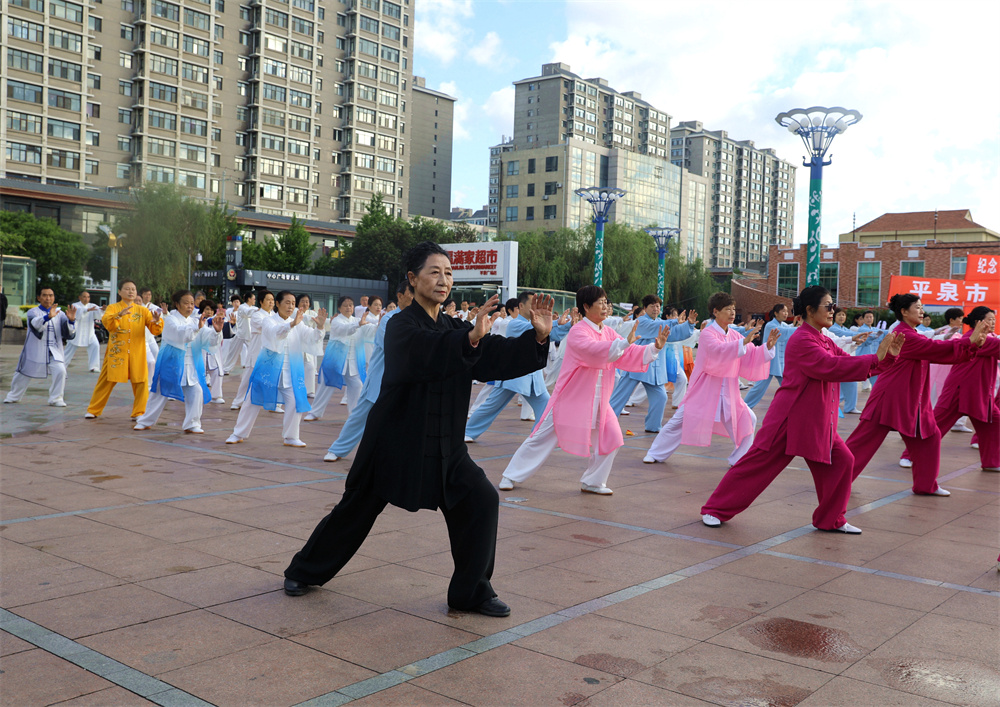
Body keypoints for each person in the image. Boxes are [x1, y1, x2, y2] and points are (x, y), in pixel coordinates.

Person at [284, 242, 552, 618]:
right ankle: (303, 570)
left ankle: (470, 592)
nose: (443, 280)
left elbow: (490, 356)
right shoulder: (400, 326)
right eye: (434, 272)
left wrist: (536, 340)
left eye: (448, 273)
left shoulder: (455, 327)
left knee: (481, 501)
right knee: (354, 512)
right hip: (395, 442)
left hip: (447, 446)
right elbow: (427, 351)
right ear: (412, 279)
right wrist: (469, 338)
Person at [700, 286, 903, 534]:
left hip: (816, 420)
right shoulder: (802, 339)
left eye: (833, 306)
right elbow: (829, 366)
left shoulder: (824, 338)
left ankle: (831, 519)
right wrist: (877, 360)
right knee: (757, 464)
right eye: (827, 306)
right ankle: (715, 509)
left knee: (842, 461)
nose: (833, 311)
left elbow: (846, 363)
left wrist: (886, 359)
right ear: (809, 310)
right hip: (790, 418)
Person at [497, 286, 667, 495]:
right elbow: (595, 352)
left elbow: (627, 352)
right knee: (542, 437)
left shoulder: (607, 331)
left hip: (600, 400)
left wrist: (654, 348)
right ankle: (511, 475)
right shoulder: (579, 331)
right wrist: (623, 344)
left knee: (612, 438)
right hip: (572, 399)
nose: (605, 307)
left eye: (606, 302)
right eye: (600, 303)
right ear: (586, 307)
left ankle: (593, 481)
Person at [846, 294, 988, 497]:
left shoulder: (911, 332)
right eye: (918, 307)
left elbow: (935, 346)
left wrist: (972, 344)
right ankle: (836, 478)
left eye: (922, 308)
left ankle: (925, 485)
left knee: (929, 437)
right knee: (862, 443)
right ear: (904, 311)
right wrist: (969, 343)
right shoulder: (904, 334)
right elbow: (935, 349)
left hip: (910, 399)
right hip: (890, 398)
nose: (922, 311)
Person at [644, 293, 778, 468]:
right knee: (679, 421)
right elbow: (717, 351)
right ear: (715, 311)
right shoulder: (708, 333)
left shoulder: (735, 336)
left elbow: (750, 353)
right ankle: (655, 453)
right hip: (705, 390)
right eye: (727, 309)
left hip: (728, 391)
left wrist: (767, 347)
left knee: (749, 419)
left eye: (733, 309)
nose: (732, 313)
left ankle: (739, 458)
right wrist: (743, 343)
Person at [324, 281, 413, 461]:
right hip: (381, 376)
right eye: (412, 293)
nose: (415, 297)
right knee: (361, 414)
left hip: (407, 379)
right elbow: (390, 345)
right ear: (400, 296)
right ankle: (338, 449)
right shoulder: (389, 318)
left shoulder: (421, 318)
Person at [226, 291, 327, 447]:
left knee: (295, 401)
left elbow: (311, 338)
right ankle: (238, 433)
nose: (291, 306)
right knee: (252, 400)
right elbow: (275, 333)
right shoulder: (269, 321)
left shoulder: (298, 323)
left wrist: (320, 328)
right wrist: (291, 325)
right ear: (278, 304)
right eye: (287, 302)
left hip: (290, 370)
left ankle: (291, 437)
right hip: (268, 368)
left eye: (293, 303)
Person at [910, 307, 998, 472]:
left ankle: (991, 462)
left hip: (979, 394)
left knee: (994, 422)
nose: (993, 323)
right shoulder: (976, 338)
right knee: (935, 425)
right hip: (959, 391)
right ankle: (909, 455)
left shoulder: (988, 337)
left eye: (994, 319)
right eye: (990, 319)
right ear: (978, 322)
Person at [465, 292, 552, 441]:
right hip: (513, 375)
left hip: (533, 377)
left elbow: (544, 332)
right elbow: (537, 331)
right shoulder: (514, 323)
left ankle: (537, 437)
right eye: (532, 304)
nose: (535, 307)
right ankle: (467, 432)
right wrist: (556, 325)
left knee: (547, 407)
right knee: (491, 406)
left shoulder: (533, 323)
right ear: (521, 306)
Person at [134, 290, 224, 434]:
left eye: (192, 303)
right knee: (159, 393)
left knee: (196, 391)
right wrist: (197, 328)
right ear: (177, 304)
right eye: (186, 303)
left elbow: (207, 339)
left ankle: (192, 423)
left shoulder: (196, 320)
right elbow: (179, 335)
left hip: (190, 366)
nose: (189, 306)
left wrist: (216, 332)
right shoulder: (170, 320)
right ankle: (145, 421)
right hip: (172, 363)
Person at [608, 297, 697, 431]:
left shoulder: (662, 323)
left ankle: (653, 426)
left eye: (657, 306)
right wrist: (674, 321)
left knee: (661, 397)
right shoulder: (641, 321)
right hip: (636, 365)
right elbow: (656, 328)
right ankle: (606, 422)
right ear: (645, 308)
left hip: (653, 369)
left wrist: (688, 325)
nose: (656, 309)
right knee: (619, 398)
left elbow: (675, 333)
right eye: (652, 306)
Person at [85, 280, 164, 419]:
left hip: (137, 352)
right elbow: (108, 324)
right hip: (117, 352)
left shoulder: (142, 310)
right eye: (127, 289)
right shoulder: (113, 308)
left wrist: (157, 321)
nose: (131, 291)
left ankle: (139, 412)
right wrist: (119, 315)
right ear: (120, 292)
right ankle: (93, 409)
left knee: (141, 381)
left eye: (133, 289)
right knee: (106, 381)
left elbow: (155, 330)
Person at [4, 287, 76, 406]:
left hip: (54, 350)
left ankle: (56, 399)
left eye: (51, 295)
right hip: (35, 349)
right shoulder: (33, 312)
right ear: (39, 298)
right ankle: (14, 396)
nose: (48, 298)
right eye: (45, 295)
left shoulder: (60, 313)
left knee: (60, 371)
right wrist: (48, 317)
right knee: (23, 373)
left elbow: (68, 332)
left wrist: (71, 321)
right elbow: (36, 325)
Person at [305, 296, 364, 421]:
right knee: (326, 386)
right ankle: (315, 412)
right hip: (336, 360)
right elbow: (344, 330)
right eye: (345, 305)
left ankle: (354, 416)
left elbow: (368, 328)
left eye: (351, 305)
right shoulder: (337, 321)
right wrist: (358, 324)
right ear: (339, 308)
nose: (349, 308)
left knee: (357, 386)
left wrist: (377, 325)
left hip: (351, 363)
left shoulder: (358, 320)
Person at [742, 303, 797, 409]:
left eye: (787, 311)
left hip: (780, 364)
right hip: (768, 362)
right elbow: (785, 333)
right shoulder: (770, 325)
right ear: (776, 313)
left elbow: (790, 332)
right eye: (783, 311)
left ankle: (794, 408)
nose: (786, 314)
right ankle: (744, 408)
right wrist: (805, 327)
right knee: (758, 388)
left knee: (789, 387)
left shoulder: (784, 325)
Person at [232, 290, 272, 410]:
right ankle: (237, 402)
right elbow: (266, 326)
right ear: (261, 301)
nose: (271, 302)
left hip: (269, 353)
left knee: (272, 378)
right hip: (256, 351)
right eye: (268, 300)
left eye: (273, 300)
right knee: (248, 379)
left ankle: (274, 404)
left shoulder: (273, 315)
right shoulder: (257, 314)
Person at [829, 308, 864, 415]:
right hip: (837, 359)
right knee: (839, 386)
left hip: (846, 358)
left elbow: (847, 340)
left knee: (850, 384)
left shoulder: (844, 328)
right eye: (839, 314)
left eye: (843, 315)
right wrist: (858, 334)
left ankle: (849, 407)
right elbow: (845, 336)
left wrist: (855, 343)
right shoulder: (832, 328)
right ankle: (838, 405)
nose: (841, 317)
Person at [64, 291, 103, 372]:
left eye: (88, 297)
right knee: (69, 350)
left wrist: (103, 310)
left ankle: (94, 367)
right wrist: (87, 310)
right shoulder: (75, 305)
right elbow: (77, 313)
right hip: (77, 332)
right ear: (80, 297)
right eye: (84, 297)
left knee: (95, 346)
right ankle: (61, 366)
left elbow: (98, 315)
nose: (86, 299)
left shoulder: (93, 305)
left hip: (90, 333)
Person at [297, 294, 324, 398]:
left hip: (309, 343)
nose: (305, 303)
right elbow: (308, 318)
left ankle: (309, 390)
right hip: (297, 343)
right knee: (296, 366)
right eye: (303, 301)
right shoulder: (295, 312)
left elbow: (320, 322)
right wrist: (316, 319)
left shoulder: (312, 312)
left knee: (310, 366)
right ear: (298, 302)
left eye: (307, 301)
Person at [199, 300, 226, 404]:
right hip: (201, 353)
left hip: (213, 353)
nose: (209, 311)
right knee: (198, 374)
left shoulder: (218, 322)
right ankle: (198, 394)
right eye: (207, 309)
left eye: (211, 309)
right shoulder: (199, 321)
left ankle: (216, 396)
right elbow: (208, 321)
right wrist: (212, 320)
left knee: (217, 372)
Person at [139, 287, 162, 382]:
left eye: (149, 294)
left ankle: (155, 374)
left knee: (156, 351)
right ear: (142, 295)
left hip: (150, 336)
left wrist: (164, 313)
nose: (148, 296)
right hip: (140, 336)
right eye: (146, 294)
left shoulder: (155, 307)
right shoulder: (138, 306)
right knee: (146, 358)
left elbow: (161, 320)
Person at [221, 294, 244, 374]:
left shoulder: (241, 312)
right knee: (225, 349)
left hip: (238, 333)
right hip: (228, 333)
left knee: (236, 351)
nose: (236, 303)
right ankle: (223, 367)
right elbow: (226, 319)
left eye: (237, 302)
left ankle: (228, 367)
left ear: (240, 303)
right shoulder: (228, 311)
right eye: (234, 302)